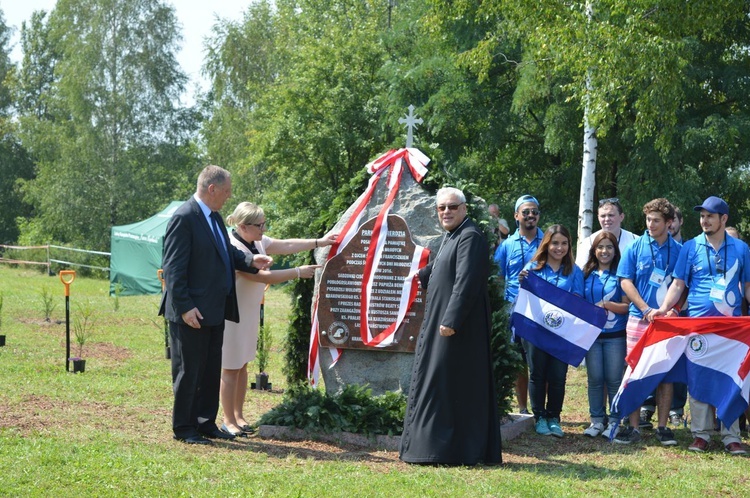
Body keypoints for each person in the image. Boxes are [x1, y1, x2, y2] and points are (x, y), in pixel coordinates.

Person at [160, 165, 272, 445]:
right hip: (191, 312)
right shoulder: (184, 218)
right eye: (226, 191)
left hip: (214, 308)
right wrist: (185, 307)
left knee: (210, 369)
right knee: (189, 370)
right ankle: (184, 427)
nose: (228, 196)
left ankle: (205, 422)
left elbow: (227, 251)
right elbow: (173, 268)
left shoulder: (215, 217)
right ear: (212, 189)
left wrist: (250, 261)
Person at [400, 187, 501, 465]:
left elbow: (466, 281)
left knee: (445, 384)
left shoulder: (470, 237)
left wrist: (451, 319)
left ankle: (447, 449)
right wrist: (417, 275)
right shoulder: (452, 236)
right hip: (442, 323)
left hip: (458, 329)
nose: (446, 211)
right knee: (441, 382)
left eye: (452, 207)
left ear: (464, 209)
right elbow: (440, 267)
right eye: (442, 207)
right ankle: (434, 447)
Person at [219, 202, 336, 436]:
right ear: (243, 226)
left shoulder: (258, 240)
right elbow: (263, 278)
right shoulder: (234, 248)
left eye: (264, 223)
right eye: (259, 225)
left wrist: (319, 242)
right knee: (230, 368)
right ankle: (228, 420)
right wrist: (297, 272)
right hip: (232, 315)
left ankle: (239, 416)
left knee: (243, 365)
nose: (264, 229)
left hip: (249, 313)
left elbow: (286, 245)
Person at [654, 196, 750, 455]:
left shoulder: (741, 249)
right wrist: (664, 309)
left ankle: (731, 436)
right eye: (702, 216)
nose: (704, 220)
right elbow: (678, 284)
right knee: (698, 379)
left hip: (731, 329)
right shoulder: (690, 247)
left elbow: (748, 288)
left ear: (724, 219)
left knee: (731, 380)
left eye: (710, 216)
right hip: (698, 325)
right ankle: (701, 435)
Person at [614, 198, 682, 445]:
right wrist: (644, 309)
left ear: (669, 222)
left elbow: (683, 285)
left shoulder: (679, 250)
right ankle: (632, 427)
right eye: (648, 220)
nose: (651, 224)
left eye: (656, 220)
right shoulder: (634, 247)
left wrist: (674, 309)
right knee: (634, 371)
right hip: (638, 318)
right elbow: (625, 281)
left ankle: (662, 427)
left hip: (667, 322)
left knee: (666, 373)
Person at [520, 224, 584, 438]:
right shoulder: (533, 268)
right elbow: (523, 298)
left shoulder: (575, 271)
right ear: (546, 244)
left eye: (564, 243)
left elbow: (578, 299)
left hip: (562, 333)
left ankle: (554, 417)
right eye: (555, 243)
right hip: (535, 332)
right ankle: (539, 418)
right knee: (537, 374)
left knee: (558, 376)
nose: (559, 248)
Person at [494, 195, 544, 414]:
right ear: (516, 216)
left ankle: (542, 409)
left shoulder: (549, 241)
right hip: (513, 309)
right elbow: (497, 276)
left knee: (541, 361)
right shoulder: (507, 245)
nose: (530, 215)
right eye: (525, 212)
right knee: (518, 361)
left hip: (543, 309)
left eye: (534, 212)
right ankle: (523, 408)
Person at [581, 231, 629, 439]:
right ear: (594, 250)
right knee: (595, 379)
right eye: (601, 247)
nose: (605, 251)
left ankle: (615, 420)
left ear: (615, 250)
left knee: (613, 380)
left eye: (609, 247)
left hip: (615, 337)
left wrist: (608, 305)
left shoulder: (621, 273)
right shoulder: (585, 274)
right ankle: (597, 421)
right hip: (592, 337)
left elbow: (627, 306)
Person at [576, 198, 638, 268]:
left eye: (611, 215)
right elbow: (580, 272)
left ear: (621, 217)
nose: (607, 219)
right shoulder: (588, 243)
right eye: (603, 216)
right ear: (598, 218)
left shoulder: (635, 241)